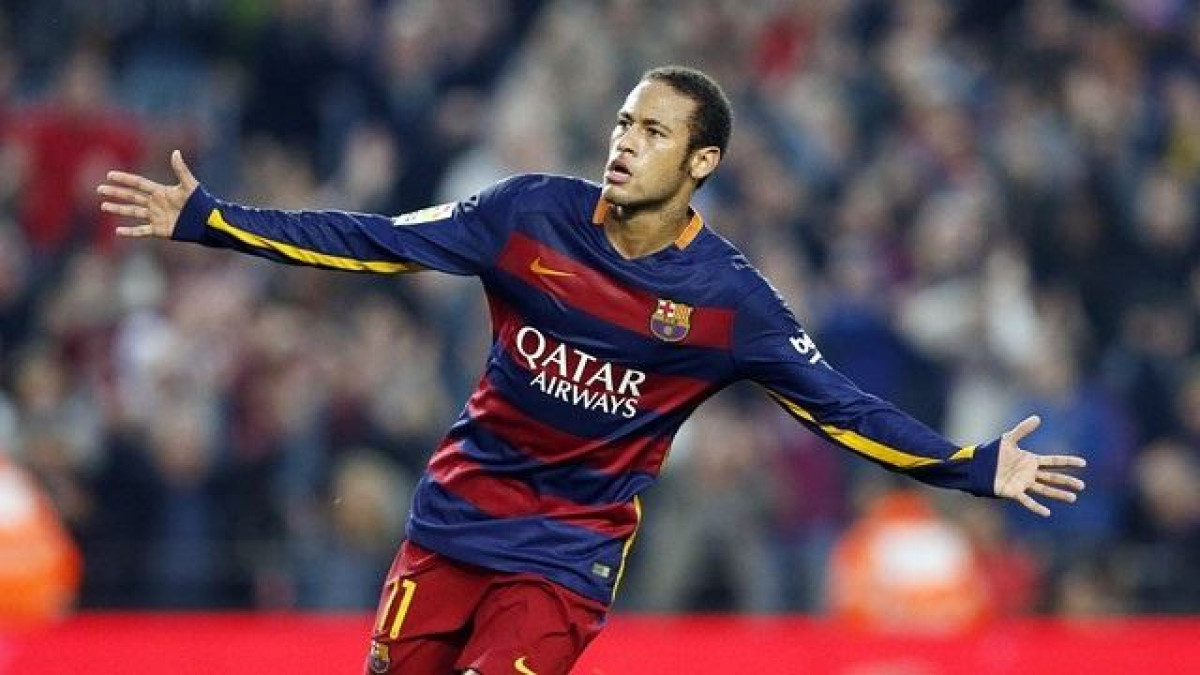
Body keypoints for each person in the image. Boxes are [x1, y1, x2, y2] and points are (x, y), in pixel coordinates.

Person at [97, 66, 1086, 674]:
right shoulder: (528, 213)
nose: (625, 143)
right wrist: (211, 220)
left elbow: (842, 408)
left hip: (566, 554)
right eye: (622, 123)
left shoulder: (730, 300)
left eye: (654, 132)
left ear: (701, 163)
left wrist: (971, 464)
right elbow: (376, 241)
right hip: (456, 515)